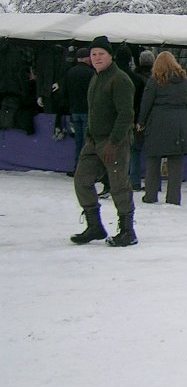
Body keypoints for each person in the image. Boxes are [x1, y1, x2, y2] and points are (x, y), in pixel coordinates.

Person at [69, 35, 137, 247]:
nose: (97, 58)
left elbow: (126, 114)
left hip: (114, 141)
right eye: (94, 54)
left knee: (118, 185)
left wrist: (114, 142)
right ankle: (94, 226)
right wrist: (90, 134)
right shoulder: (95, 77)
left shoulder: (120, 79)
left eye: (101, 54)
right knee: (81, 180)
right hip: (94, 139)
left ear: (111, 56)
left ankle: (128, 231)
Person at [139, 51, 187, 205]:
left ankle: (150, 195)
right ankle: (173, 198)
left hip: (158, 120)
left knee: (153, 159)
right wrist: (184, 121)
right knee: (176, 162)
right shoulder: (185, 81)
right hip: (180, 121)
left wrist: (141, 121)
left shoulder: (154, 81)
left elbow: (146, 103)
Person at [61, 47, 95, 177]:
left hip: (74, 110)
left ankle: (77, 167)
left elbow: (63, 92)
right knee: (88, 142)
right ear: (87, 58)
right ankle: (86, 169)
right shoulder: (91, 73)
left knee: (78, 141)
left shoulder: (70, 72)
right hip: (87, 110)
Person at [129, 49, 154, 191]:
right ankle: (152, 181)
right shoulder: (157, 78)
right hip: (152, 118)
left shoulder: (133, 77)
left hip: (136, 117)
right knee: (152, 152)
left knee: (135, 150)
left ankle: (135, 180)